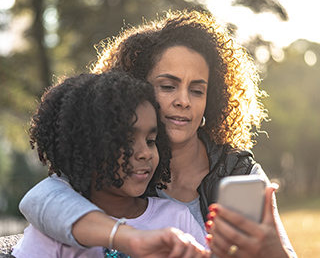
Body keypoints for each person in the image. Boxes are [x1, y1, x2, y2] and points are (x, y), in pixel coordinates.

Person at [19, 9, 297, 257]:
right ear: (136, 89)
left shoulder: (237, 172)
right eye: (168, 86)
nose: (184, 101)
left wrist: (273, 250)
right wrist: (131, 238)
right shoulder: (111, 169)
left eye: (197, 90)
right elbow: (39, 200)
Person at [12, 71, 210, 258]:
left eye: (151, 141)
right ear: (85, 146)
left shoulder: (177, 220)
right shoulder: (53, 228)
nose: (145, 153)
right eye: (124, 141)